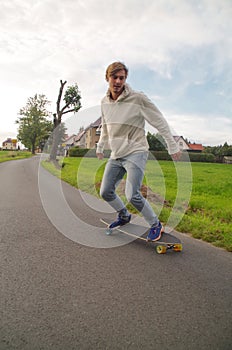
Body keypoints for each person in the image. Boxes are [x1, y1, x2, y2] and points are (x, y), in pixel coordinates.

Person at [96, 61, 181, 241]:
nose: (118, 81)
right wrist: (100, 146)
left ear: (125, 79)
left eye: (122, 78)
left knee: (132, 194)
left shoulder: (137, 98)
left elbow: (159, 120)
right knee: (105, 191)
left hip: (136, 151)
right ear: (107, 78)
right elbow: (105, 126)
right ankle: (124, 215)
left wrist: (172, 144)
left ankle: (155, 224)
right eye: (114, 77)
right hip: (116, 154)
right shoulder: (104, 102)